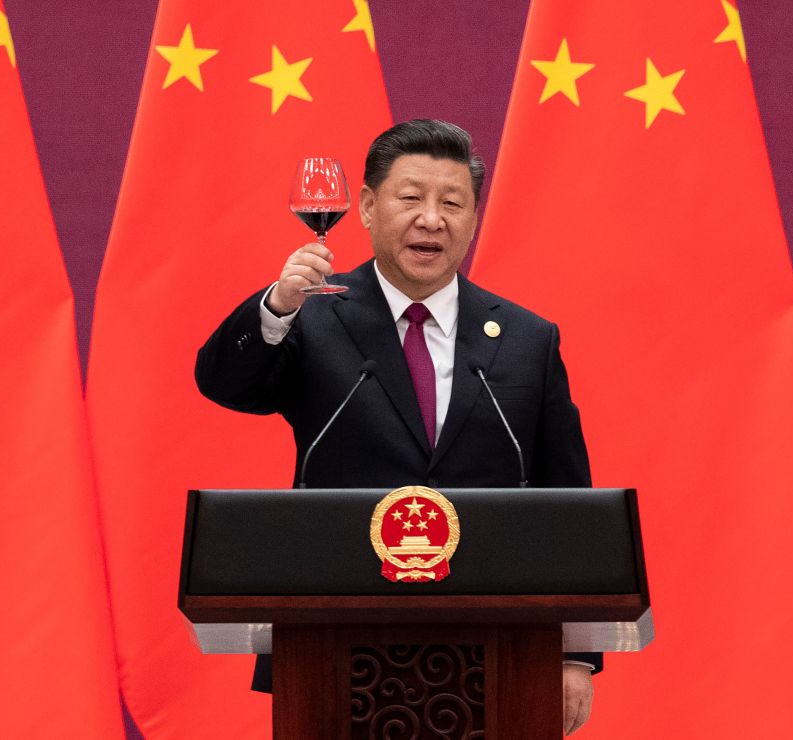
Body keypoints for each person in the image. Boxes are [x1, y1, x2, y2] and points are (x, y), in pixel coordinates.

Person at [196, 119, 599, 735]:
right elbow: (226, 384)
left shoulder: (526, 340)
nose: (431, 219)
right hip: (336, 644)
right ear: (366, 206)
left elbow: (568, 501)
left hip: (497, 647)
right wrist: (276, 308)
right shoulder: (313, 316)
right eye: (411, 197)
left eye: (452, 203)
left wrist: (575, 655)